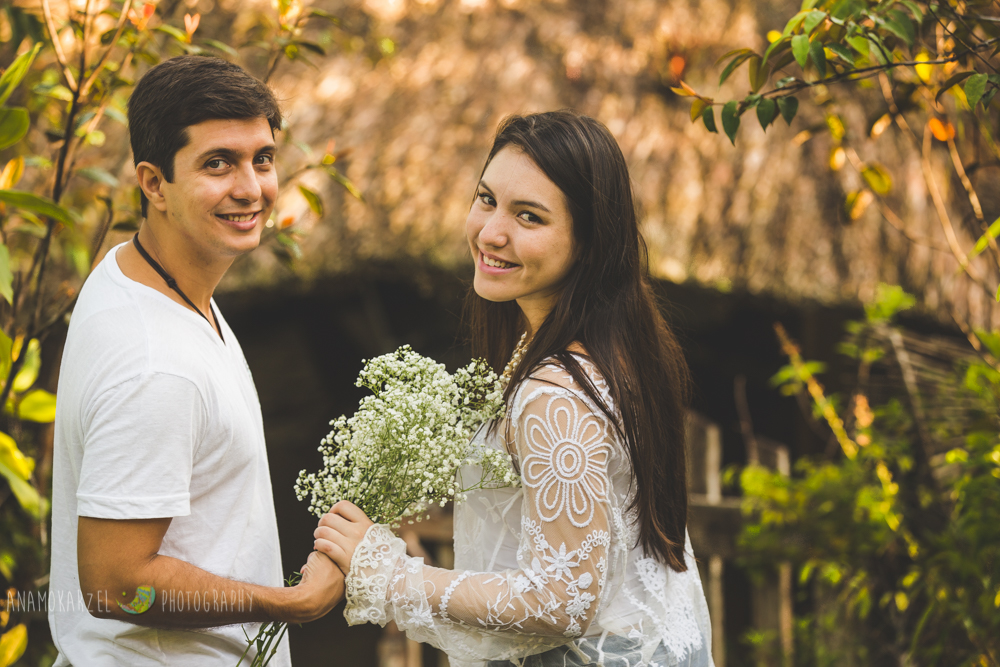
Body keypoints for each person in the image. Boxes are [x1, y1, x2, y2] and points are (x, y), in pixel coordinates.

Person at [314, 111, 713, 667]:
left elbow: (561, 599)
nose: (491, 232)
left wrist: (386, 570)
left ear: (590, 241)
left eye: (529, 216)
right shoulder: (612, 353)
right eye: (486, 199)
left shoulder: (555, 394)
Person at [48, 55, 343, 666]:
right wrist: (289, 603)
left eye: (262, 158)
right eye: (218, 163)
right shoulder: (156, 363)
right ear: (154, 184)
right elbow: (114, 582)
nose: (251, 187)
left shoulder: (134, 275)